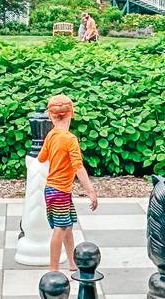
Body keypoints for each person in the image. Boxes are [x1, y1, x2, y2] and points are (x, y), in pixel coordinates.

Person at [37, 93, 98, 272]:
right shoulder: (70, 139)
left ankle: (72, 262)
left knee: (67, 225)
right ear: (71, 114)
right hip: (61, 191)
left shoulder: (51, 136)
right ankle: (53, 270)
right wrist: (91, 191)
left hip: (51, 190)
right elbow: (78, 168)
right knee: (60, 228)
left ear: (50, 116)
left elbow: (41, 159)